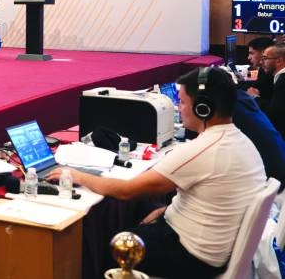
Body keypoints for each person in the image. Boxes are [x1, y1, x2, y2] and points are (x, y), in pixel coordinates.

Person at [48, 67, 265, 277]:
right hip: (211, 243)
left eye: (182, 102)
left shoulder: (204, 148)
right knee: (141, 209)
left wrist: (75, 175)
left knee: (115, 245)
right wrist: (167, 211)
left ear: (203, 108)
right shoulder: (239, 140)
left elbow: (126, 191)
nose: (179, 109)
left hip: (194, 255)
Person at [259, 44, 285, 135]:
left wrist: (254, 97)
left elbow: (274, 114)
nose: (261, 62)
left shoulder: (282, 81)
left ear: (279, 61)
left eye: (265, 58)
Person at [241, 36, 274, 103]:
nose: (248, 58)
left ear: (263, 53)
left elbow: (253, 88)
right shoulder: (263, 69)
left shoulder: (269, 72)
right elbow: (255, 85)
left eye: (252, 53)